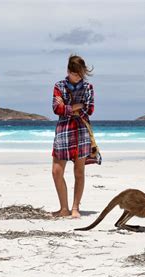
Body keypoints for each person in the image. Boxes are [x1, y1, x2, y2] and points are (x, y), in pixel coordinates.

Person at [52, 54, 98, 218]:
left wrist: (67, 107)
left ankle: (75, 207)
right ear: (68, 71)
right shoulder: (58, 86)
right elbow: (57, 110)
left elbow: (89, 110)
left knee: (79, 171)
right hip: (63, 131)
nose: (77, 77)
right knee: (57, 171)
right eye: (75, 73)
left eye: (80, 74)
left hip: (81, 132)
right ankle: (63, 208)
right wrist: (76, 107)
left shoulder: (88, 87)